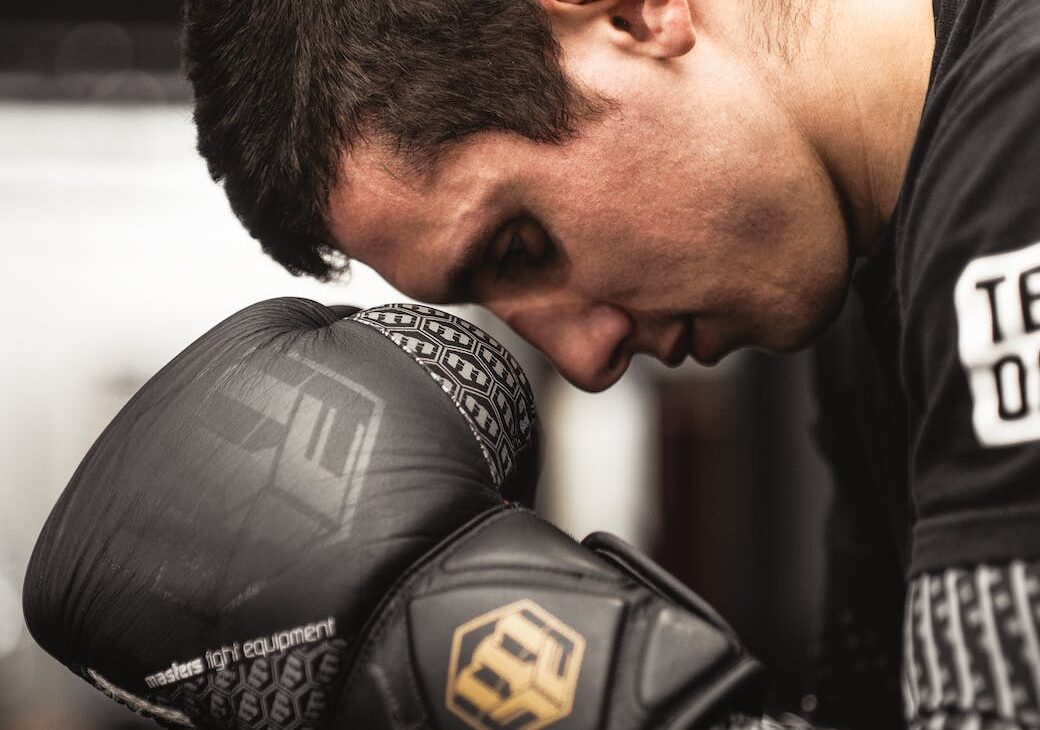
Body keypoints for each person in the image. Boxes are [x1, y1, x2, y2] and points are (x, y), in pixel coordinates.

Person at [180, 0, 1040, 727]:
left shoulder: (1016, 159)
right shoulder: (872, 322)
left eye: (520, 246)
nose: (589, 363)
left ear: (634, 12)